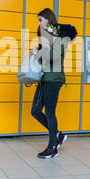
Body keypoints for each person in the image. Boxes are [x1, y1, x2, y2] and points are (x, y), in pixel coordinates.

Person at [30, 8, 68, 159]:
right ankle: (57, 135)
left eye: (40, 20)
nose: (39, 23)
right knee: (35, 110)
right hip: (44, 78)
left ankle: (53, 148)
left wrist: (38, 52)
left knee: (50, 113)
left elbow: (56, 56)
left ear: (48, 19)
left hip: (54, 79)